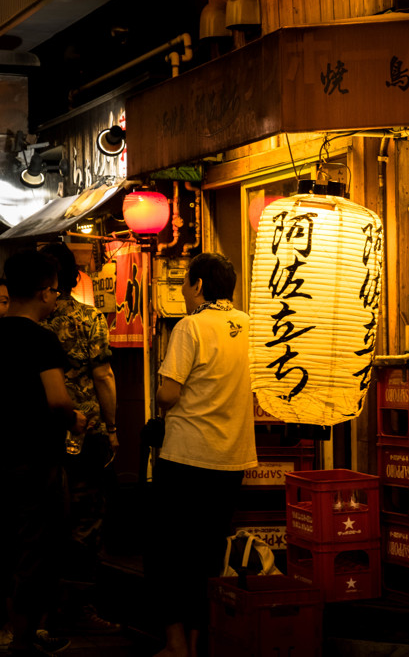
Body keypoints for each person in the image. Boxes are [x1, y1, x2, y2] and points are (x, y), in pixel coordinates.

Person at [149, 253, 257, 657]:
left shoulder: (190, 326)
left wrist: (161, 395)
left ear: (197, 285)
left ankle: (176, 644)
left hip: (186, 457)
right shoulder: (250, 325)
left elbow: (168, 393)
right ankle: (199, 642)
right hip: (231, 458)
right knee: (207, 552)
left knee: (169, 552)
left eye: (185, 283)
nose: (182, 290)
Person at [0, 250, 85, 656]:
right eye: (54, 291)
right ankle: (23, 639)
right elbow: (57, 400)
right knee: (34, 549)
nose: (56, 299)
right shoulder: (41, 339)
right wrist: (76, 418)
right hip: (34, 461)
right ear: (41, 292)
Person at [38, 242, 121, 636]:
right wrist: (113, 426)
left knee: (39, 521)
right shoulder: (88, 319)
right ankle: (80, 606)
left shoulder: (26, 321)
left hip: (34, 435)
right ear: (73, 277)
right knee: (86, 521)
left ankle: (38, 610)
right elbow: (103, 375)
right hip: (83, 434)